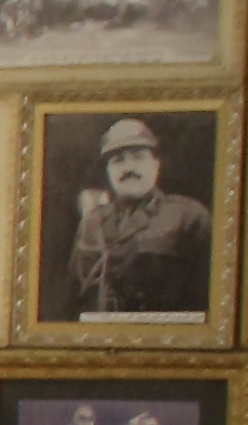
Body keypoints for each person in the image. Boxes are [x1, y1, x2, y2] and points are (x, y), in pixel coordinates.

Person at [71, 116, 211, 319]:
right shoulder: (92, 223)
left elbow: (208, 300)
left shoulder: (189, 216)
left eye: (139, 157)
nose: (129, 168)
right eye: (118, 160)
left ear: (156, 164)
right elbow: (73, 299)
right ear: (109, 171)